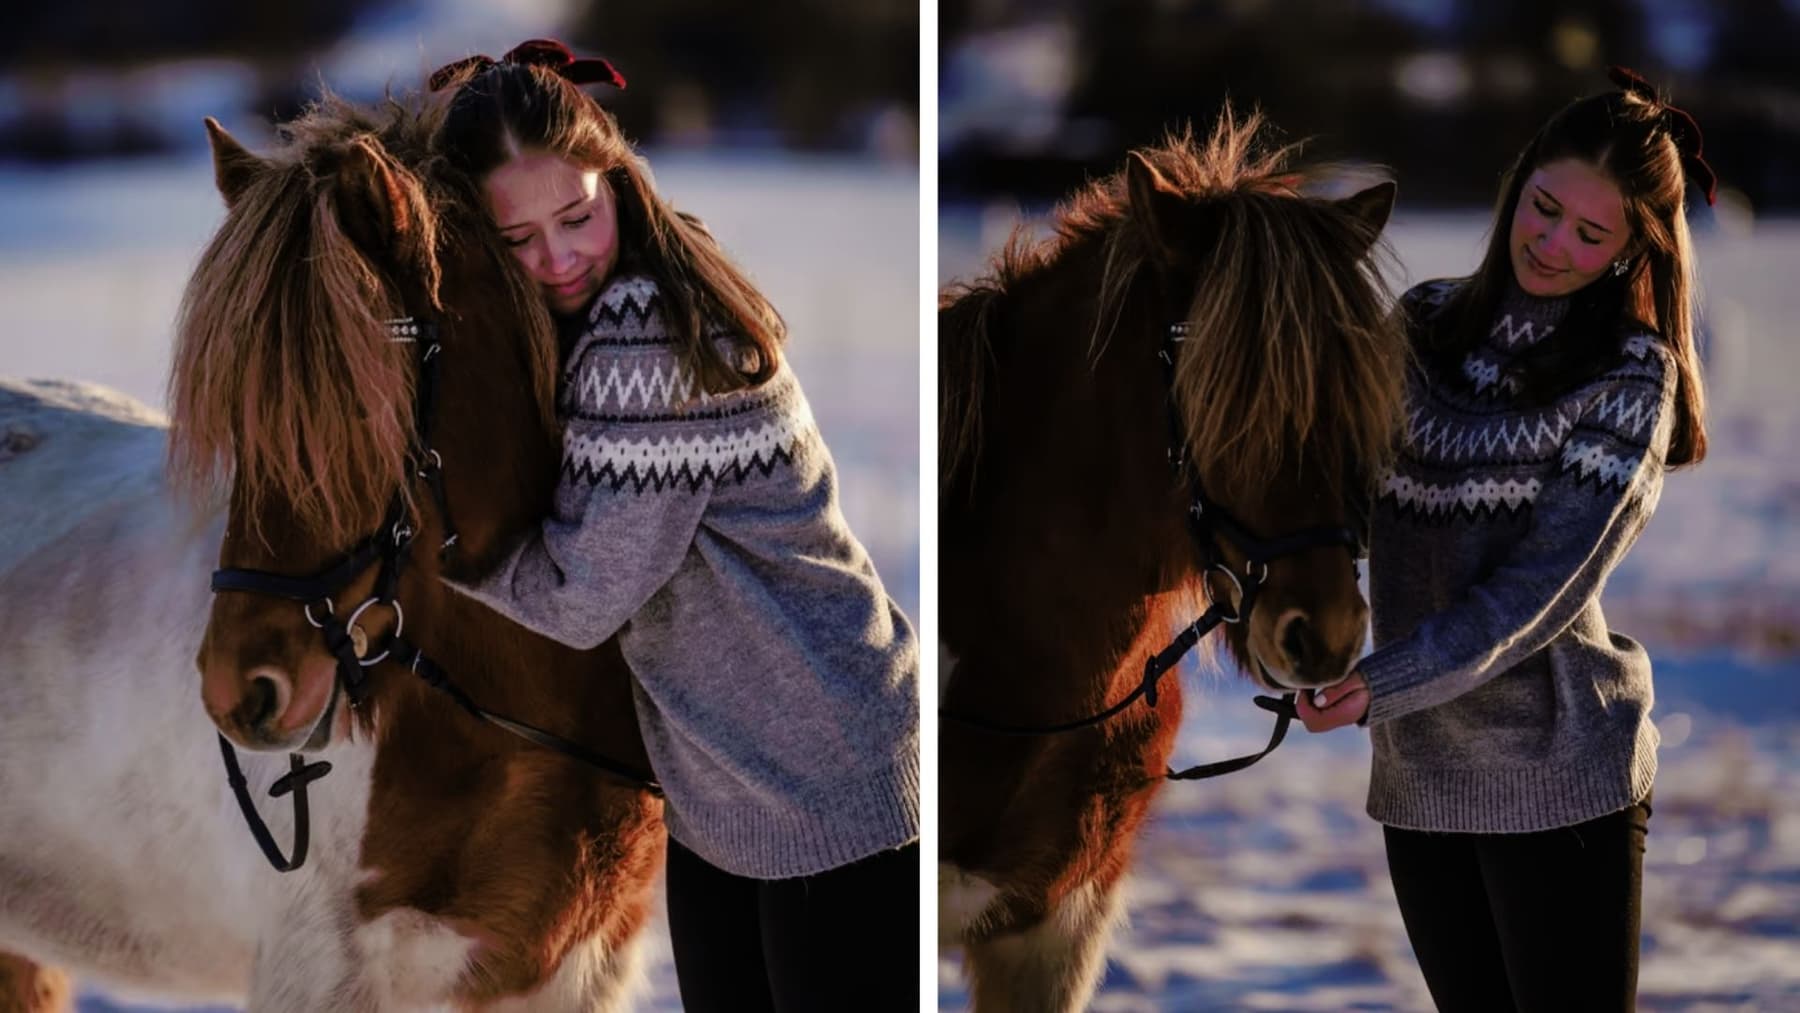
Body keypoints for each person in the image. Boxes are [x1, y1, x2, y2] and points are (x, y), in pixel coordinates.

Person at [428, 40, 919, 1012]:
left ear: (618, 173)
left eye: (575, 215)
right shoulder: (639, 282)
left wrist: (433, 557)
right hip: (729, 791)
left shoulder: (644, 336)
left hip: (819, 775)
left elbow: (581, 598)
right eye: (517, 241)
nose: (556, 257)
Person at [1295, 66, 1713, 1011]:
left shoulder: (1628, 378)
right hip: (1419, 778)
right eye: (1544, 205)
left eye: (1591, 232)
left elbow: (1531, 597)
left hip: (1561, 783)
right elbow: (1346, 507)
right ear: (1519, 181)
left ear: (1629, 252)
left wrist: (1379, 683)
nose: (1553, 242)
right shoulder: (1424, 325)